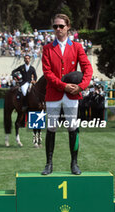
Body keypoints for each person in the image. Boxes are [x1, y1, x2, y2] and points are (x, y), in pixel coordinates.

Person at [41, 14, 93, 175]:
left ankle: (74, 163)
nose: (58, 29)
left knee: (73, 128)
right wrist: (64, 86)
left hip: (72, 95)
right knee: (51, 128)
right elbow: (47, 73)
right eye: (55, 26)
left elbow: (88, 69)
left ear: (68, 27)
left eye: (61, 26)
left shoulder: (77, 47)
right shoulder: (47, 48)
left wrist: (81, 87)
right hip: (54, 94)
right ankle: (49, 163)